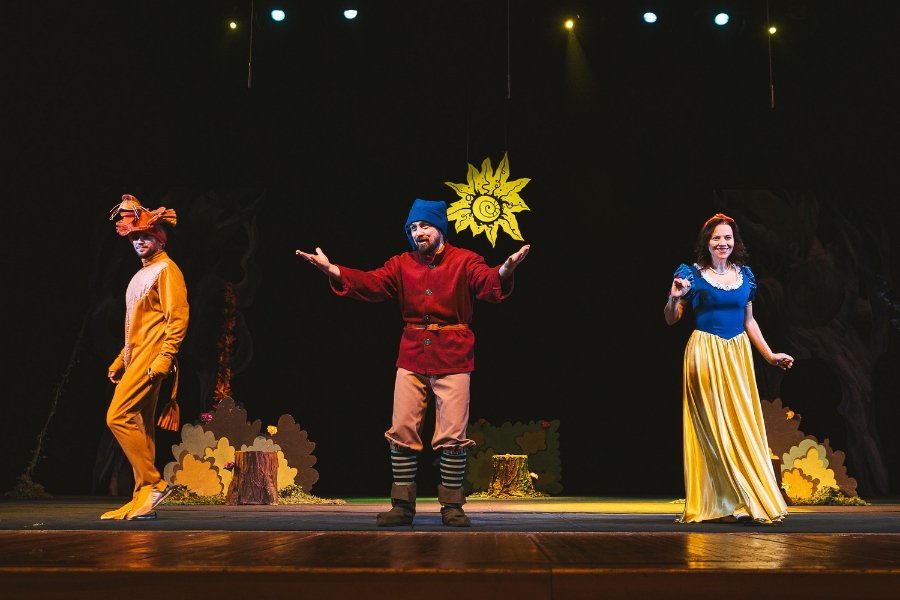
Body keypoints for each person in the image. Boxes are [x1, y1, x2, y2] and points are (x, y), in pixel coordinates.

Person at [296, 198, 530, 527]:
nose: (418, 232)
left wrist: (506, 269)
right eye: (413, 228)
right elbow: (371, 283)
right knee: (402, 430)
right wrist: (331, 269)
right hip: (412, 355)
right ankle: (402, 506)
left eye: (425, 226)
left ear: (440, 228)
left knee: (452, 435)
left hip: (453, 356)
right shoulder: (402, 263)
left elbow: (486, 282)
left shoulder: (465, 260)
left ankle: (452, 506)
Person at [664, 213, 792, 525]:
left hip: (738, 354)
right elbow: (671, 318)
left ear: (735, 242)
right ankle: (719, 502)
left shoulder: (745, 276)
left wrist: (770, 355)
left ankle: (745, 499)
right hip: (705, 351)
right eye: (717, 238)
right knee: (713, 428)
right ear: (706, 243)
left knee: (741, 425)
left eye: (728, 238)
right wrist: (673, 298)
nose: (723, 243)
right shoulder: (690, 275)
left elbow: (749, 321)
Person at [100, 194, 189, 520]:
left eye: (146, 236)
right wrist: (120, 360)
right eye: (135, 237)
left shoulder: (166, 270)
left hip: (152, 356)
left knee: (118, 416)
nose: (139, 242)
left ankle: (153, 483)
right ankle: (143, 498)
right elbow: (136, 326)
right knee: (141, 425)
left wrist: (165, 357)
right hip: (137, 356)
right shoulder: (142, 273)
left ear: (160, 239)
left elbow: (177, 318)